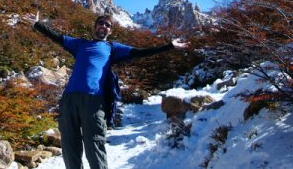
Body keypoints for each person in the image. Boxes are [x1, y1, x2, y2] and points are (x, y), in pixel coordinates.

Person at [28, 12, 185, 169]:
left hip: (93, 100)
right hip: (69, 99)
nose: (103, 26)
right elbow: (58, 37)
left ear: (110, 31)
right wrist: (37, 25)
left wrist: (169, 46)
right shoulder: (80, 44)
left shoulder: (112, 48)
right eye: (101, 23)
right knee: (69, 144)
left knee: (94, 144)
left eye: (107, 25)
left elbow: (139, 52)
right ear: (95, 26)